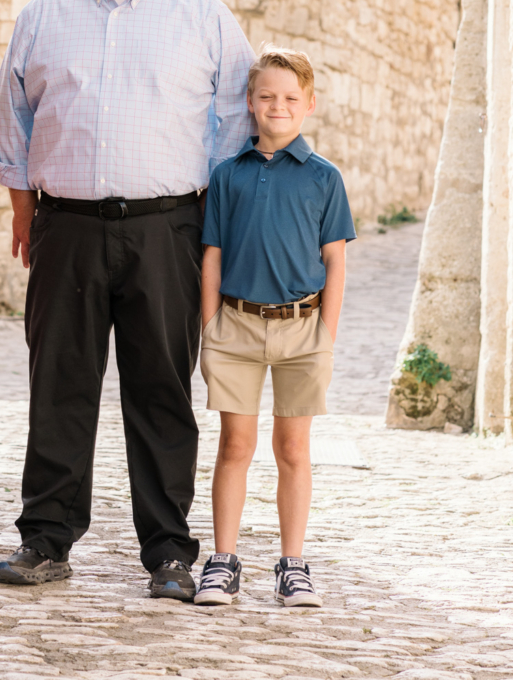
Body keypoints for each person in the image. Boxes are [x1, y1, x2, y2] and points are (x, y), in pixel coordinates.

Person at [0, 0, 255, 600]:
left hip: (167, 229)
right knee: (59, 384)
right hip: (64, 226)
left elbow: (235, 123)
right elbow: (12, 118)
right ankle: (44, 539)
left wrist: (212, 229)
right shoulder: (43, 15)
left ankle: (168, 552)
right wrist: (21, 210)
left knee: (160, 390)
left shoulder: (201, 17)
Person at [194, 47, 355, 609]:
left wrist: (325, 334)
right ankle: (222, 561)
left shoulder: (324, 177)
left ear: (308, 105)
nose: (277, 106)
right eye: (266, 96)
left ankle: (292, 564)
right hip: (235, 328)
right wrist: (210, 325)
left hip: (302, 330)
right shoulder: (227, 175)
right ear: (250, 102)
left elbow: (334, 259)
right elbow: (211, 253)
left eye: (290, 98)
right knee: (234, 445)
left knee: (293, 448)